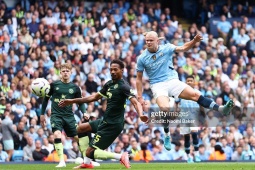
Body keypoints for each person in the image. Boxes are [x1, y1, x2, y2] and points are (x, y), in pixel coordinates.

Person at [136, 31, 234, 151]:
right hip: (157, 85)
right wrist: (140, 97)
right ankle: (167, 135)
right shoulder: (142, 58)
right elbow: (139, 79)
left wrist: (194, 41)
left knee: (195, 94)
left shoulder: (167, 48)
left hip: (172, 80)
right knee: (165, 109)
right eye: (147, 41)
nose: (148, 42)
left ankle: (221, 109)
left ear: (158, 41)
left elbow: (183, 48)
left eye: (151, 40)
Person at [59, 59, 148, 169]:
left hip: (113, 125)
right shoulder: (109, 84)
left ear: (122, 70)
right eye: (111, 70)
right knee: (80, 129)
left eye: (115, 70)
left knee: (89, 152)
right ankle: (87, 163)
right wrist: (72, 101)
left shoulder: (124, 86)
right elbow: (94, 97)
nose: (112, 72)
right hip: (105, 120)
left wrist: (141, 114)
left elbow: (135, 102)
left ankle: (120, 156)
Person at [40, 63, 99, 168]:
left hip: (69, 117)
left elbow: (80, 102)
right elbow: (45, 100)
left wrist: (84, 112)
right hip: (56, 116)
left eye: (67, 71)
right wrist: (42, 114)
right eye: (63, 71)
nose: (65, 73)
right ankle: (61, 161)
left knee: (79, 138)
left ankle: (88, 160)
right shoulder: (53, 85)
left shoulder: (75, 88)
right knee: (57, 134)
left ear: (71, 72)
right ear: (60, 73)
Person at [175, 75, 204, 163]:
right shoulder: (181, 92)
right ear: (186, 82)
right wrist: (176, 113)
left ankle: (197, 155)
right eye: (188, 80)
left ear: (194, 82)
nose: (189, 82)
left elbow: (202, 105)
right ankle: (188, 157)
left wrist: (203, 116)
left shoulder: (198, 92)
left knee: (194, 134)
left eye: (191, 80)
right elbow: (176, 103)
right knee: (187, 137)